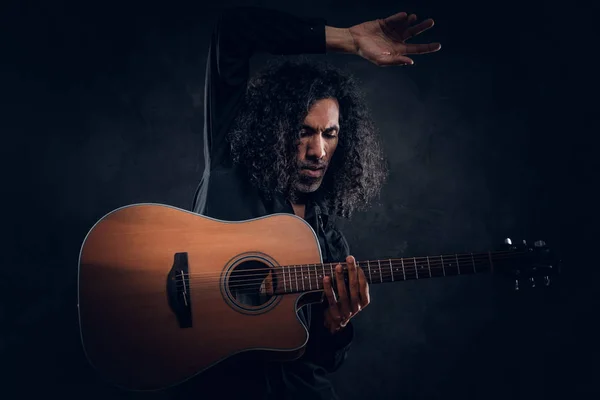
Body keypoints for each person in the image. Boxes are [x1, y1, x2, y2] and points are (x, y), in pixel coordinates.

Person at [185, 6, 441, 399]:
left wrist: (336, 326)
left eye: (330, 134)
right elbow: (234, 29)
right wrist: (348, 39)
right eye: (304, 132)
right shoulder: (229, 164)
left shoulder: (332, 247)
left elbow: (319, 360)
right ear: (273, 130)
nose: (318, 151)